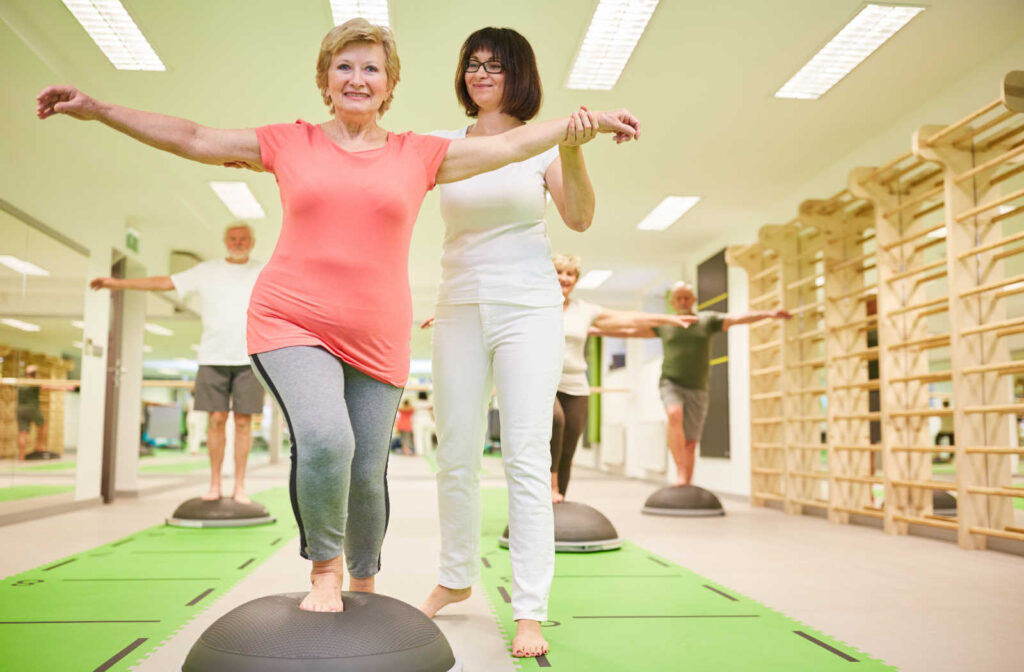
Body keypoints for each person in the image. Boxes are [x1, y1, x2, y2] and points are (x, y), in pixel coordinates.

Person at [37, 18, 639, 616]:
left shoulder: (417, 153)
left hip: (381, 335)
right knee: (328, 439)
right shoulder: (290, 141)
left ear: (390, 83)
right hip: (291, 320)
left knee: (367, 468)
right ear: (325, 81)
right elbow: (195, 136)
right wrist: (99, 109)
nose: (357, 78)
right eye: (344, 67)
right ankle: (325, 570)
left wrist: (584, 123)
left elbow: (510, 147)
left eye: (370, 68)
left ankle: (366, 583)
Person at [416, 27, 639, 659]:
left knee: (524, 455)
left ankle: (531, 609)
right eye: (472, 64)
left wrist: (572, 146)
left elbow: (580, 218)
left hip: (530, 308)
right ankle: (455, 578)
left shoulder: (540, 146)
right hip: (458, 303)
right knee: (454, 450)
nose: (480, 74)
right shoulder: (441, 144)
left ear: (521, 74)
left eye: (495, 65)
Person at [90, 223, 265, 503]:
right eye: (233, 238)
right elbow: (164, 282)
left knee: (243, 422)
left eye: (244, 239)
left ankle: (240, 486)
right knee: (216, 419)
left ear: (252, 242)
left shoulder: (262, 271)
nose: (238, 243)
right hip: (212, 357)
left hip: (250, 357)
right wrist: (119, 283)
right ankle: (215, 484)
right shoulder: (207, 271)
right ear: (225, 241)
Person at [610, 281, 791, 485]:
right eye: (679, 298)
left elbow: (737, 318)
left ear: (694, 300)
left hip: (698, 387)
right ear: (672, 302)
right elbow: (629, 331)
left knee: (691, 442)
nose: (683, 301)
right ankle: (680, 471)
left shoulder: (706, 321)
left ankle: (686, 482)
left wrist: (769, 314)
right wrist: (594, 331)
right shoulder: (665, 324)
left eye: (687, 297)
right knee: (674, 414)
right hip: (671, 382)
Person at [549, 254, 696, 503]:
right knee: (555, 422)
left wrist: (668, 318)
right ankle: (548, 489)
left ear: (576, 280)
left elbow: (628, 318)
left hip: (576, 386)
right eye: (559, 272)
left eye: (570, 274)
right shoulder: (536, 306)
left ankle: (558, 502)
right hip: (545, 383)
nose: (564, 278)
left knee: (567, 449)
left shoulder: (583, 310)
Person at [16, 365, 47, 460]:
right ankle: (39, 445)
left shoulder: (21, 382)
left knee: (22, 433)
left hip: (20, 410)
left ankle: (21, 457)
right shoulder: (35, 381)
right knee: (43, 425)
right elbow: (47, 386)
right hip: (33, 408)